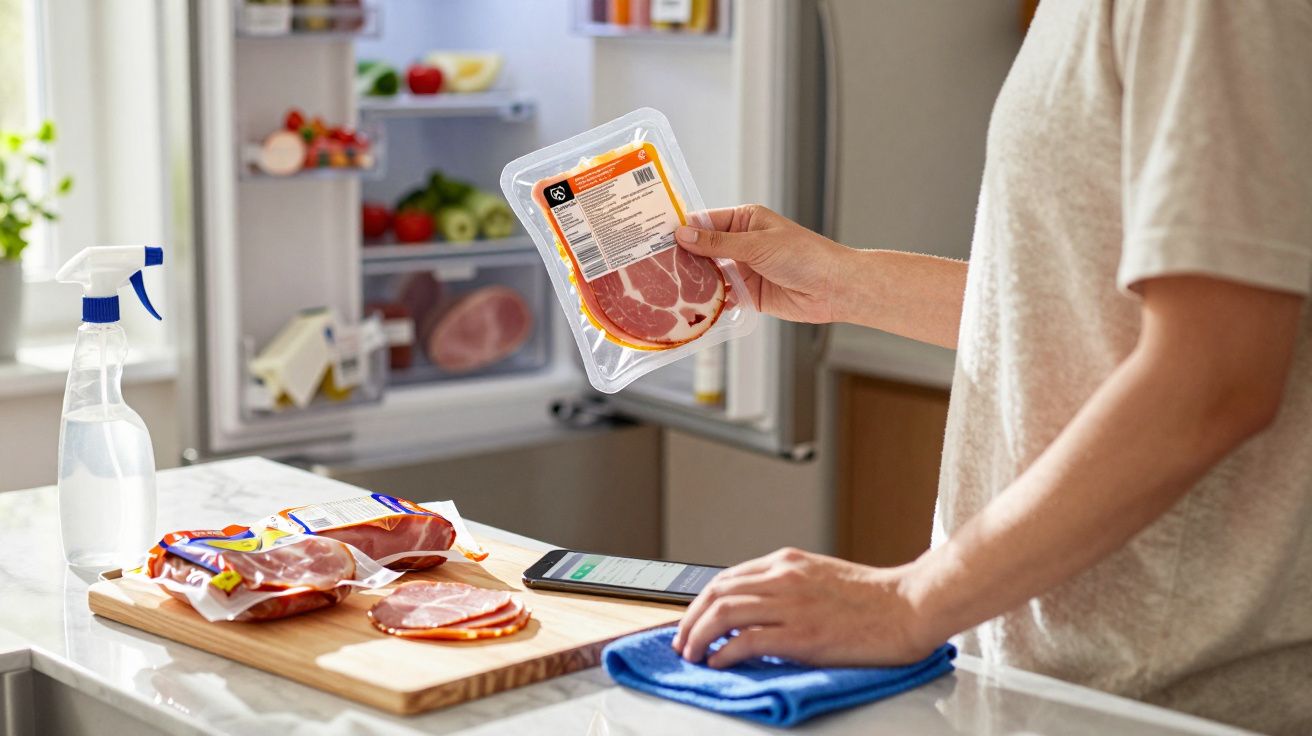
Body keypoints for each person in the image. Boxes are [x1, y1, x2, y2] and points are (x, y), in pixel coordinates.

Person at [670, 2, 1312, 733]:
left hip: (1167, 700)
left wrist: (911, 599)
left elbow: (1214, 376)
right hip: (1056, 682)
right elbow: (1080, 307)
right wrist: (840, 281)